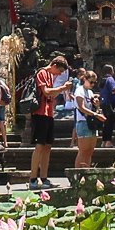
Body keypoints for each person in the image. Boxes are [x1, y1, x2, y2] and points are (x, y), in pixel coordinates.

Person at [29, 55, 69, 188]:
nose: (60, 74)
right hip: (40, 112)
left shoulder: (52, 77)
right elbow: (46, 92)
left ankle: (44, 178)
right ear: (54, 66)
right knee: (39, 145)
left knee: (47, 146)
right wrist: (62, 88)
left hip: (49, 112)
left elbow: (52, 94)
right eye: (60, 71)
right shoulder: (42, 73)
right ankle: (33, 179)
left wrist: (62, 89)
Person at [73, 70, 104, 168]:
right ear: (85, 79)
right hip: (83, 122)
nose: (93, 84)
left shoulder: (90, 92)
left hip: (92, 123)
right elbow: (81, 107)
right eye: (91, 82)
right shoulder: (79, 90)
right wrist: (95, 115)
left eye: (94, 82)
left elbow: (93, 107)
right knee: (83, 151)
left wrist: (97, 105)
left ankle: (86, 172)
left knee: (90, 151)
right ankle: (78, 175)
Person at [99, 64, 115, 147]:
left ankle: (104, 141)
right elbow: (114, 90)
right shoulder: (110, 79)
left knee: (106, 123)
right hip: (111, 104)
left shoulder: (103, 80)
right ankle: (108, 141)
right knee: (110, 122)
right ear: (111, 71)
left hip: (104, 103)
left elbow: (107, 91)